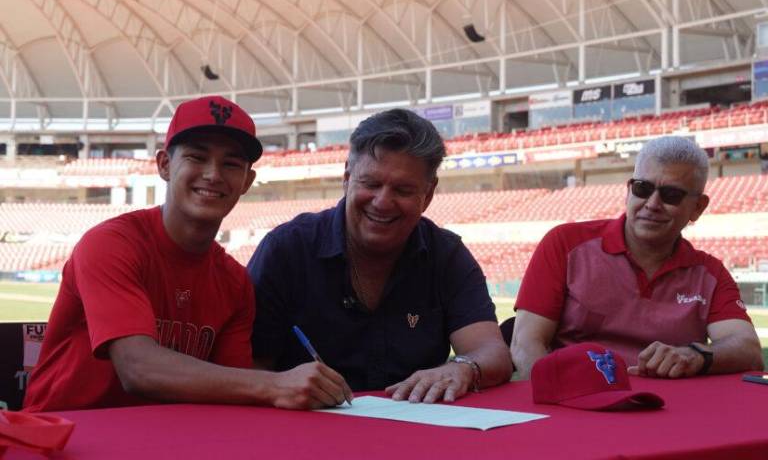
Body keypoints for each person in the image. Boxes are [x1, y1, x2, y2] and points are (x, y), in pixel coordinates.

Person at [24, 95, 351, 412]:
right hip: (63, 431)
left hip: (164, 435)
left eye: (231, 163)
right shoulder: (110, 243)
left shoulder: (235, 282)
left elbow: (234, 390)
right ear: (164, 165)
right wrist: (275, 384)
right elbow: (138, 368)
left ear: (247, 181)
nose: (213, 174)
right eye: (197, 157)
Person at [248, 108, 512, 403]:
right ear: (347, 177)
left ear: (428, 195)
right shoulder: (286, 250)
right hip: (305, 427)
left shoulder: (447, 255)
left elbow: (492, 352)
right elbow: (248, 369)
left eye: (403, 190)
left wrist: (463, 368)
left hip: (413, 427)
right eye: (371, 184)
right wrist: (279, 385)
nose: (383, 202)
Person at [511, 136, 764, 379]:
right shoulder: (564, 243)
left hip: (671, 404)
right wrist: (557, 392)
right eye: (642, 188)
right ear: (628, 191)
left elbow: (748, 349)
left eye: (671, 195)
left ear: (698, 208)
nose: (652, 204)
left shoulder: (710, 273)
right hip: (579, 398)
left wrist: (696, 355)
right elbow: (525, 344)